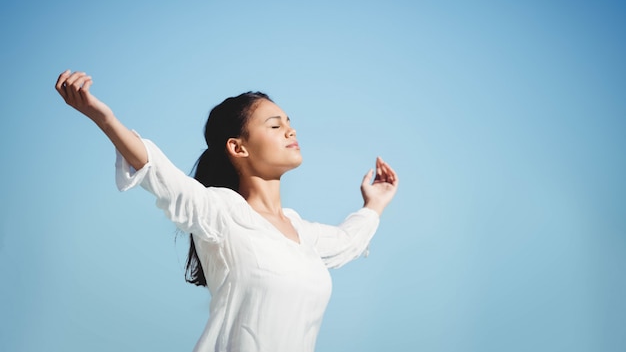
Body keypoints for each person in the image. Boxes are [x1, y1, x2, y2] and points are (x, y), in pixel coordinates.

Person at [55, 69, 399, 352]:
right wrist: (104, 119)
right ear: (238, 147)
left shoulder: (301, 233)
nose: (290, 130)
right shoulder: (222, 212)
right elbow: (162, 176)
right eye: (275, 125)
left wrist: (376, 203)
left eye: (289, 122)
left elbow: (346, 241)